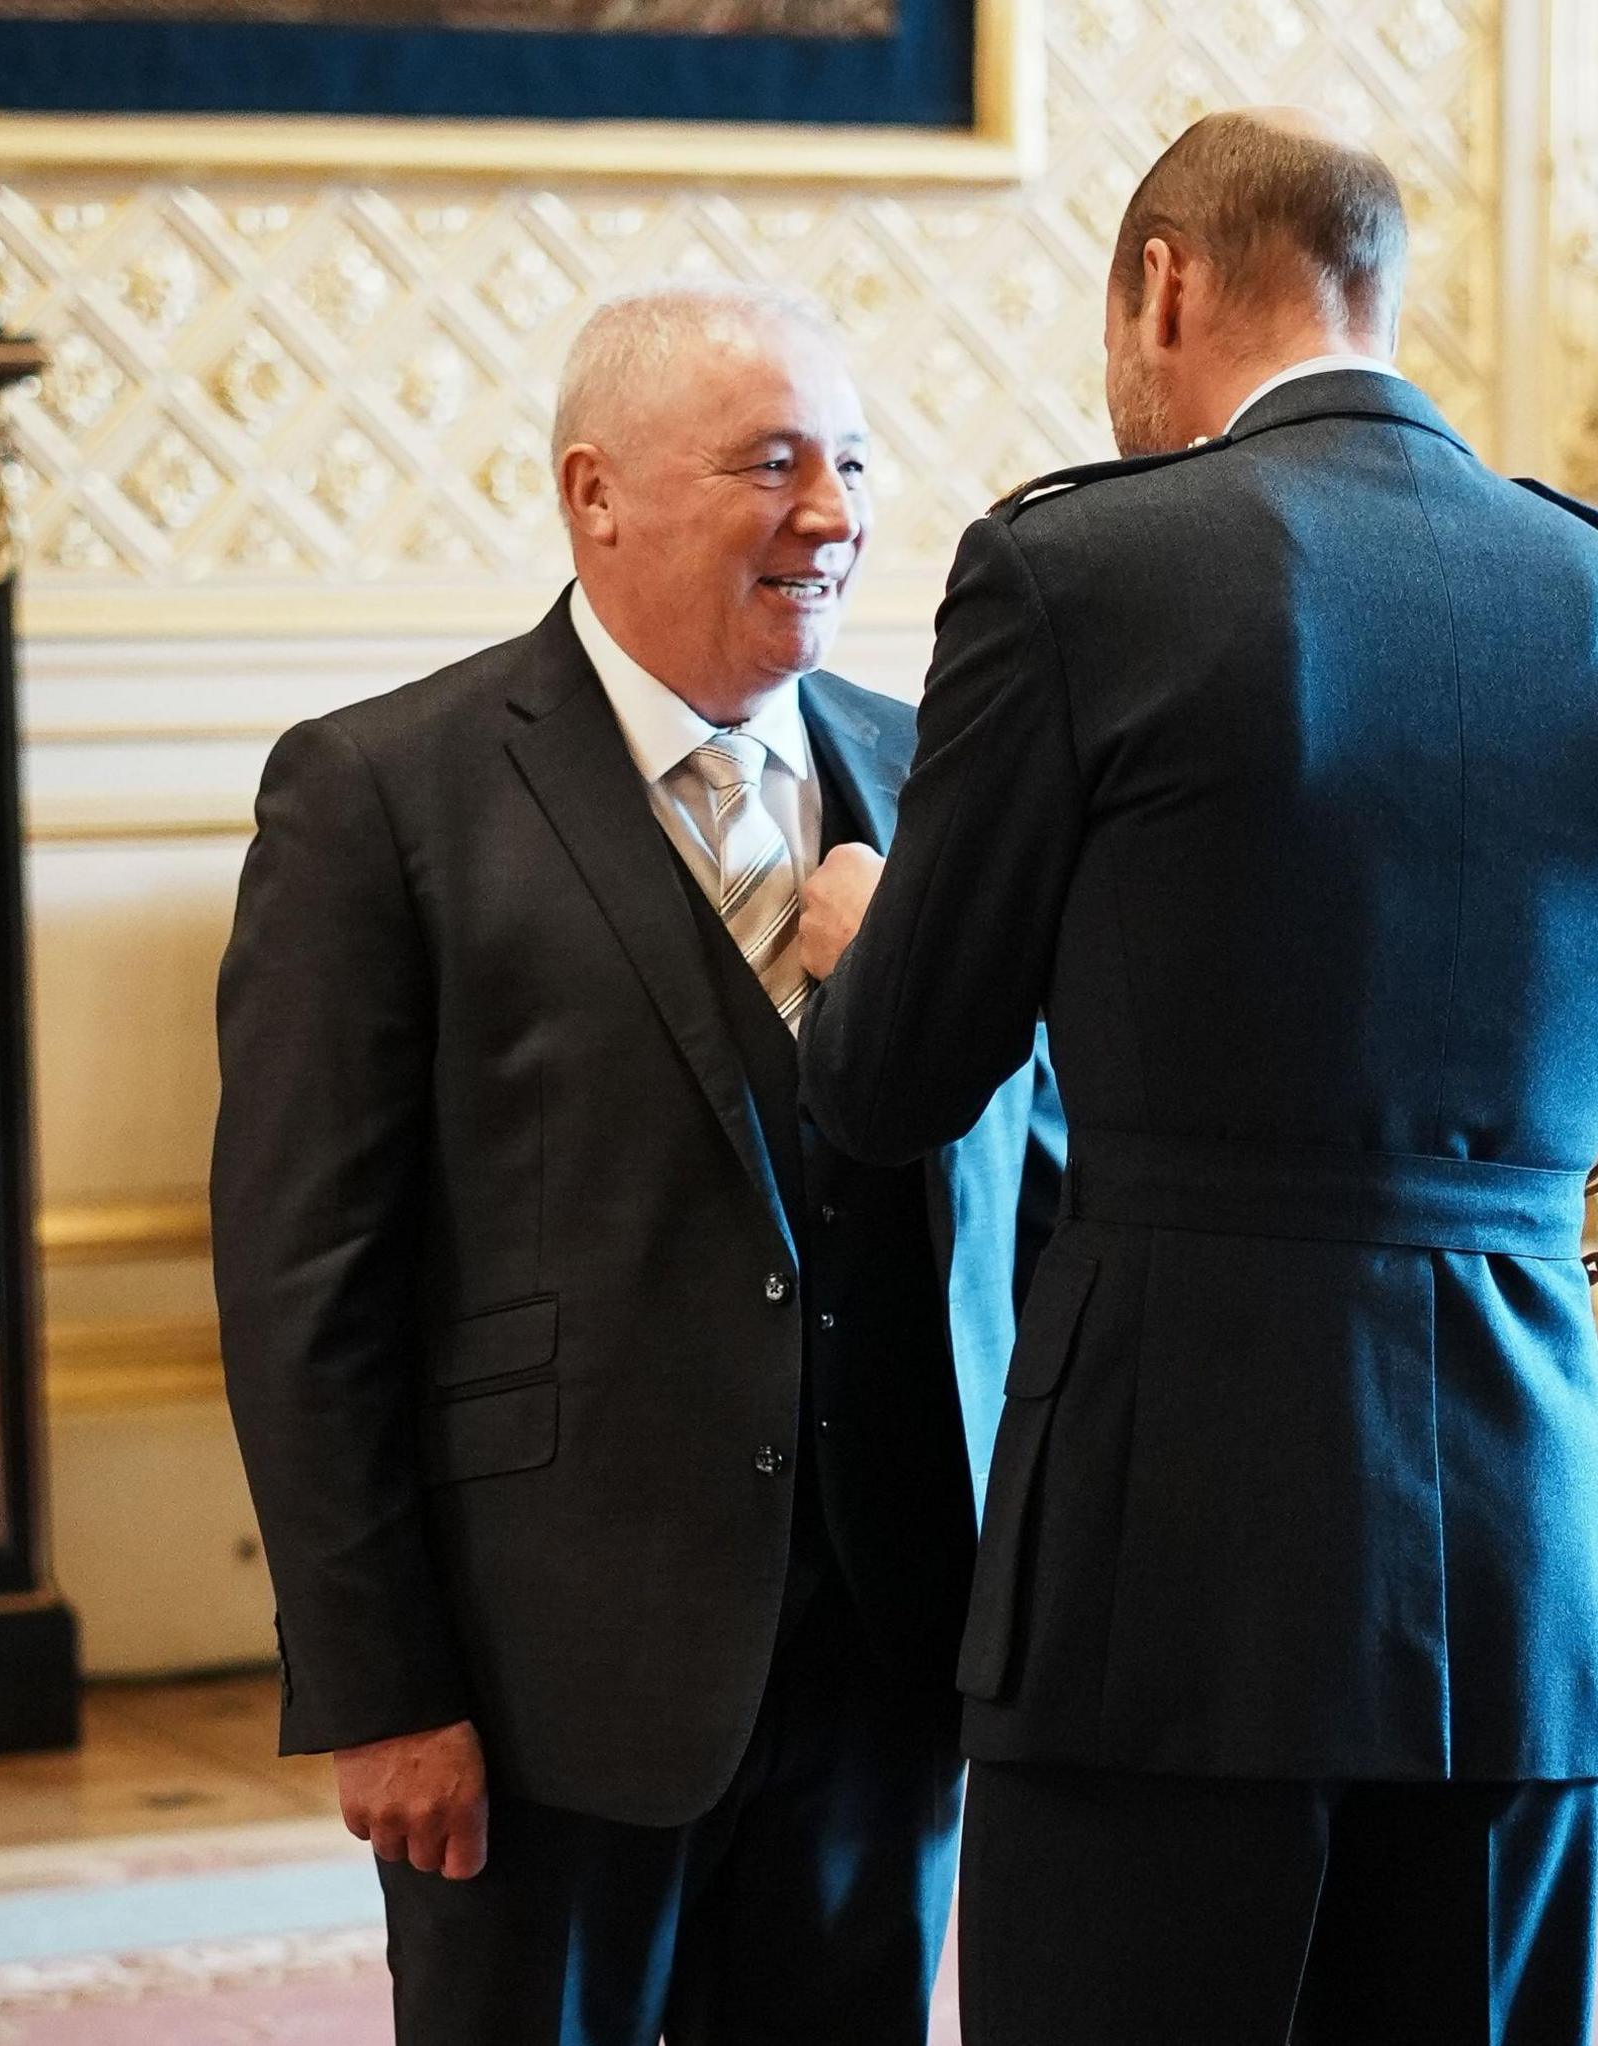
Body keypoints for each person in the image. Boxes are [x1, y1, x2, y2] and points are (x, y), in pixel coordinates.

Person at [797, 109, 1598, 2045]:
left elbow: (891, 1083)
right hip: (1517, 1560)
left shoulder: (1087, 576)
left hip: (1170, 1556)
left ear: (1162, 285)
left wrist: (856, 933)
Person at [210, 281, 1062, 2046]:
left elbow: (1041, 1209)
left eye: (851, 460)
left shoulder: (934, 782)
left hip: (886, 1654)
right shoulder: (381, 794)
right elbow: (306, 1290)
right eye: (773, 463)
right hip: (545, 1689)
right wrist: (382, 1689)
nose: (834, 512)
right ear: (596, 491)